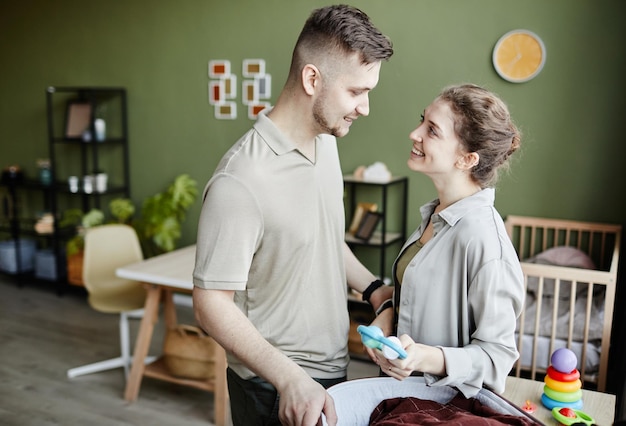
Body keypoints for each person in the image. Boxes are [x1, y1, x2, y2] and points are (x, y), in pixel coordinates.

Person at [192, 5, 393, 426]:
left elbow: (321, 237)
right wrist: (288, 378)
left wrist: (374, 289)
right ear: (311, 79)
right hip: (272, 385)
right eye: (356, 92)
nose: (365, 107)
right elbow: (210, 304)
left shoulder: (326, 142)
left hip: (331, 371)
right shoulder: (242, 180)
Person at [367, 84, 525, 398]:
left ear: (466, 159)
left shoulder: (484, 241)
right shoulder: (437, 215)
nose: (415, 133)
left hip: (441, 406)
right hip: (400, 396)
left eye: (432, 130)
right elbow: (413, 298)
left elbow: (496, 358)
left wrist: (424, 358)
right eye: (422, 120)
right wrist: (386, 319)